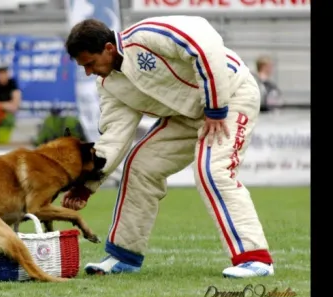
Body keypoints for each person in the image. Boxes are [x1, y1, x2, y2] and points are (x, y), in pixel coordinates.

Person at [62, 16, 274, 279]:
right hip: (187, 116)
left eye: (90, 64)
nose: (89, 72)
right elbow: (114, 138)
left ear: (108, 48)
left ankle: (256, 259)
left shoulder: (147, 35)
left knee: (213, 170)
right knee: (139, 166)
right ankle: (123, 257)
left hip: (231, 96)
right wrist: (86, 184)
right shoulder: (108, 84)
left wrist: (216, 109)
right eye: (84, 67)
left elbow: (205, 42)